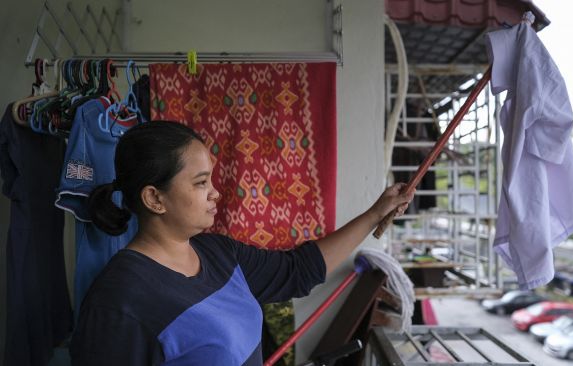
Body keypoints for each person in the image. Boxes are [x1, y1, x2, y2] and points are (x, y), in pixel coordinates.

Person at [69, 120, 414, 366]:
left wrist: (375, 213)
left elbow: (299, 270)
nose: (215, 193)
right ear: (155, 198)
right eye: (201, 182)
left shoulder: (218, 253)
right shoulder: (119, 303)